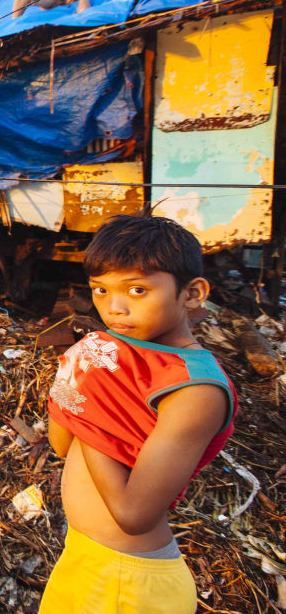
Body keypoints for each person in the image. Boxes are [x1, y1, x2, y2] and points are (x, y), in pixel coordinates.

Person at [42, 214, 237, 613]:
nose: (114, 308)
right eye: (99, 290)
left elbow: (135, 514)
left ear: (193, 293)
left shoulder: (195, 389)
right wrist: (68, 382)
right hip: (83, 556)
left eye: (137, 290)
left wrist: (89, 401)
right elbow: (62, 445)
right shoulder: (119, 356)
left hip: (127, 583)